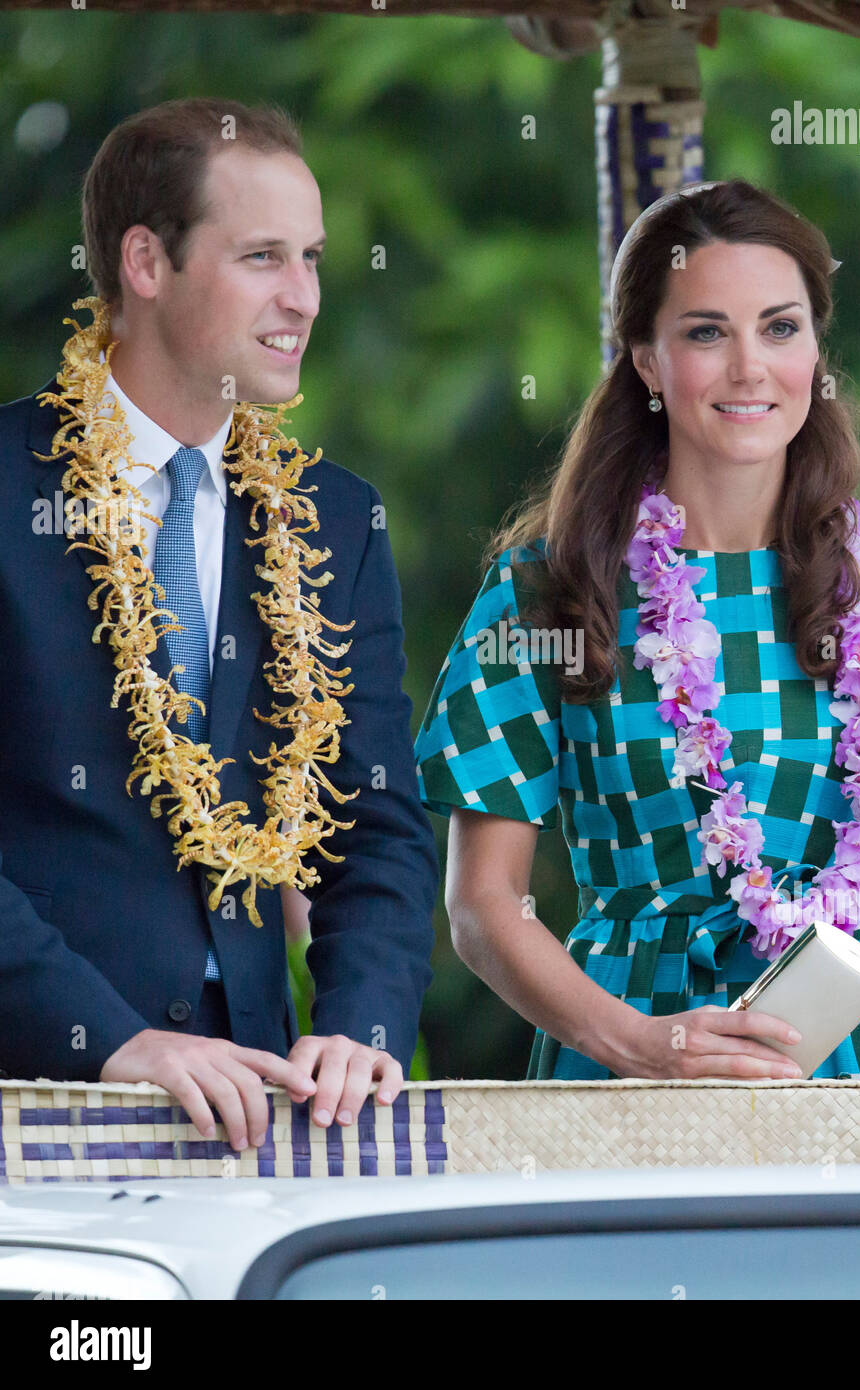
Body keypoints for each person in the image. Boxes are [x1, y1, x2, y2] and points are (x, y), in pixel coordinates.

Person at [414, 179, 860, 1131]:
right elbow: (484, 903)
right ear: (646, 361)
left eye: (779, 328)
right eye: (706, 333)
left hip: (854, 1070)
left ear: (816, 351)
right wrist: (638, 1047)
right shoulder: (548, 589)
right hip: (621, 1065)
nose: (749, 367)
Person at [0, 98, 438, 1149]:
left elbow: (376, 822)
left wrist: (358, 1025)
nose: (304, 299)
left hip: (261, 1111)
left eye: (314, 259)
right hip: (26, 1100)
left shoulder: (336, 518)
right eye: (262, 258)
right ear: (147, 262)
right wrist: (112, 1038)